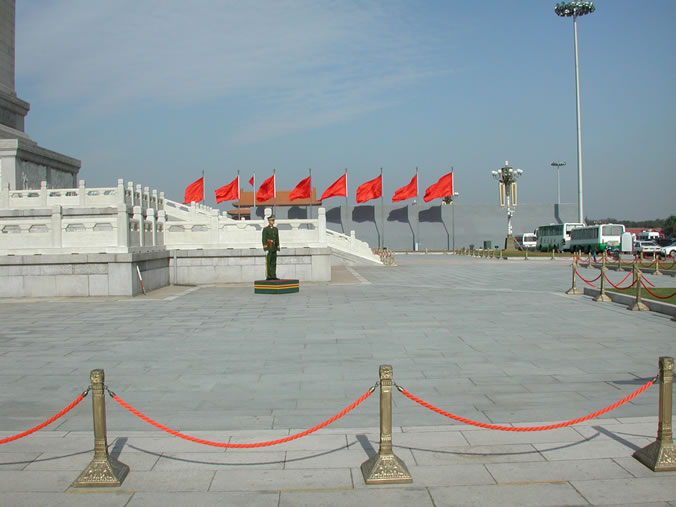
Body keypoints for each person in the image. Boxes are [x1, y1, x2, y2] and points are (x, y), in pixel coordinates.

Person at [262, 214, 280, 280]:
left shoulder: (275, 229)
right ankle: (269, 276)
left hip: (274, 248)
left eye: (273, 220)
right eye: (271, 220)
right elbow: (264, 239)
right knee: (268, 262)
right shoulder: (266, 229)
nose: (273, 221)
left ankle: (273, 275)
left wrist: (278, 247)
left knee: (273, 262)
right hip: (269, 247)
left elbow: (277, 238)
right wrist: (265, 248)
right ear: (269, 221)